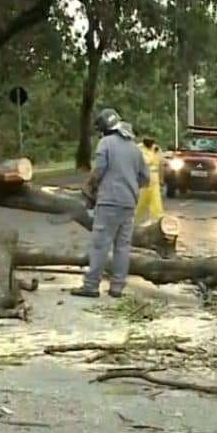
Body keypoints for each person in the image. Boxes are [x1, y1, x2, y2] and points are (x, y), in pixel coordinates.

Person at [72, 108, 149, 298]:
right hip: (128, 203)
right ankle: (117, 287)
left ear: (105, 127)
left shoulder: (105, 143)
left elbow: (98, 171)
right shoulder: (134, 148)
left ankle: (90, 286)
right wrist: (130, 185)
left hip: (109, 202)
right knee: (122, 247)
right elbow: (145, 178)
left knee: (100, 244)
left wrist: (90, 188)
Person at [134, 136, 164, 224]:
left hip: (154, 179)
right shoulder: (138, 148)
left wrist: (162, 179)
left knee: (156, 203)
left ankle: (157, 223)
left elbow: (161, 165)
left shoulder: (157, 149)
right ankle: (135, 223)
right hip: (142, 178)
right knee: (140, 203)